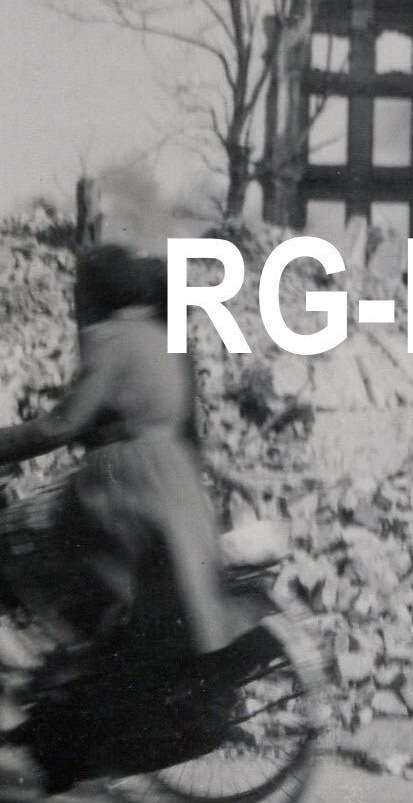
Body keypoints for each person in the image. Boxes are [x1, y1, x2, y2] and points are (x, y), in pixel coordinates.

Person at [0, 244, 236, 793]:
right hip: (172, 487)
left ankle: (54, 686)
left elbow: (62, 424)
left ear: (94, 294)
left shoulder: (111, 339)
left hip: (120, 490)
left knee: (28, 550)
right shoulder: (164, 338)